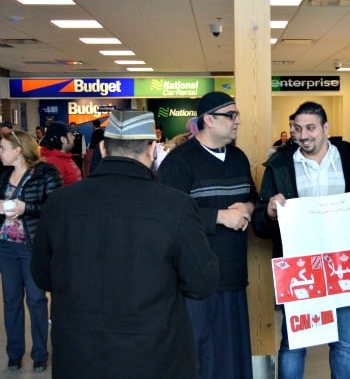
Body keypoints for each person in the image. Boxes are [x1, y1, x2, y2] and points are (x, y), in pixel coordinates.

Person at [30, 110, 220, 379]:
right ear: (152, 149)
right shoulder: (176, 206)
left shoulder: (61, 202)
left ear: (104, 149)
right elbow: (202, 282)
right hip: (154, 354)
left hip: (77, 354)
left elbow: (42, 275)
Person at [251, 101, 350, 379]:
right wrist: (270, 212)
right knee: (294, 344)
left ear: (326, 128)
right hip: (300, 269)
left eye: (310, 128)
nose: (303, 135)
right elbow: (261, 226)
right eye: (297, 129)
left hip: (345, 266)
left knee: (344, 343)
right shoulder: (279, 167)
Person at [158, 91, 258, 379]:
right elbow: (168, 215)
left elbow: (252, 196)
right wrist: (219, 217)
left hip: (235, 277)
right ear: (209, 120)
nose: (238, 121)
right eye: (231, 115)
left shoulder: (239, 158)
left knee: (233, 358)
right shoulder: (179, 161)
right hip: (197, 281)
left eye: (237, 114)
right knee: (202, 357)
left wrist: (249, 206)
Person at [0, 130, 63, 372]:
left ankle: (40, 353)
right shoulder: (4, 175)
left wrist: (27, 208)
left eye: (4, 148)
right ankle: (14, 354)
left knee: (36, 300)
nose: (0, 153)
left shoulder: (45, 174)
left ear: (18, 150)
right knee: (11, 300)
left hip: (32, 246)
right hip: (6, 247)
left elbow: (55, 207)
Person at [39, 121, 82, 186]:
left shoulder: (64, 158)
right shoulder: (53, 163)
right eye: (71, 135)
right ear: (63, 139)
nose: (73, 138)